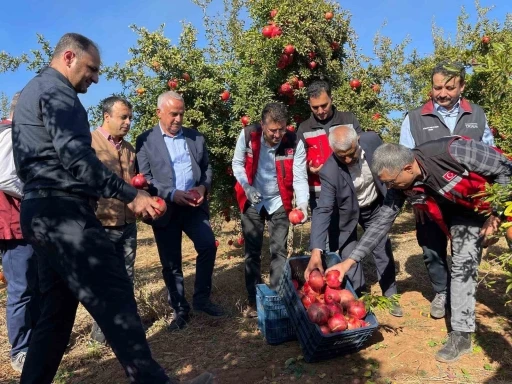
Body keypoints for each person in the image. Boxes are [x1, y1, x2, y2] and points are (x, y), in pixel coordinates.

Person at [12, 33, 212, 384]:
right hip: (65, 214)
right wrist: (130, 195)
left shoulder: (32, 90)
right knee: (117, 299)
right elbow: (78, 161)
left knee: (55, 318)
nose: (95, 78)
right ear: (69, 57)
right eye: (91, 69)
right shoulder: (60, 93)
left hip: (39, 212)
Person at [326, 136, 511, 363]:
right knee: (463, 264)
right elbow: (381, 222)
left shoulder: (454, 151)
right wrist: (350, 261)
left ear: (408, 167)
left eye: (393, 182)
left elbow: (505, 169)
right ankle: (461, 336)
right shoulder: (401, 182)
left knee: (477, 262)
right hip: (459, 213)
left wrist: (497, 213)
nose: (390, 188)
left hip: (490, 204)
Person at [399, 61, 495, 319]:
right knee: (431, 248)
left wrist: (492, 204)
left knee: (467, 250)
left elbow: (490, 156)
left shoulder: (477, 114)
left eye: (449, 88)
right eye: (437, 87)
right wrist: (417, 198)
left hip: (469, 198)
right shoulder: (414, 118)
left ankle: (461, 293)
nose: (442, 93)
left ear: (462, 86)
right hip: (430, 199)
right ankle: (442, 291)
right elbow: (406, 162)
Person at [136, 91, 224, 332]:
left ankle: (202, 299)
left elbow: (207, 169)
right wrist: (172, 194)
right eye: (173, 114)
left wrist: (202, 187)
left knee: (207, 245)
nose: (178, 118)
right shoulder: (145, 141)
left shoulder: (196, 138)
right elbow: (146, 179)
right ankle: (180, 308)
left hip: (194, 207)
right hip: (165, 209)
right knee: (171, 262)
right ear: (159, 113)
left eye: (181, 114)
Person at [304, 126, 402, 316]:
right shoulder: (329, 171)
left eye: (351, 153)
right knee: (350, 256)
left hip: (374, 206)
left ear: (357, 141)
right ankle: (359, 299)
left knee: (382, 249)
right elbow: (323, 209)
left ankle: (390, 295)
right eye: (342, 156)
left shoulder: (373, 140)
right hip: (346, 216)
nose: (348, 159)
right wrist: (316, 250)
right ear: (333, 151)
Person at [232, 102, 309, 318]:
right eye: (272, 130)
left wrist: (302, 203)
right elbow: (237, 163)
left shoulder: (294, 141)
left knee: (279, 251)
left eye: (281, 129)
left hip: (279, 201)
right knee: (252, 253)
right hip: (253, 200)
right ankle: (253, 301)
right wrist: (246, 187)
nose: (277, 134)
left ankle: (276, 298)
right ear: (263, 125)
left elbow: (300, 176)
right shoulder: (248, 135)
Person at [89, 96, 138, 344]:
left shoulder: (130, 149)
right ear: (106, 117)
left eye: (130, 117)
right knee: (102, 278)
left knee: (126, 275)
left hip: (129, 223)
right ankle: (101, 332)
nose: (128, 122)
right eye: (123, 117)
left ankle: (126, 323)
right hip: (101, 224)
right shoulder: (90, 143)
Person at [297, 80, 363, 251]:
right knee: (324, 239)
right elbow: (298, 162)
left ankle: (346, 273)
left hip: (348, 189)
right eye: (315, 107)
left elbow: (359, 150)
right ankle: (328, 273)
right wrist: (309, 169)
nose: (320, 111)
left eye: (324, 105)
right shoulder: (304, 128)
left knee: (347, 234)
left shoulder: (348, 120)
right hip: (319, 192)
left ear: (331, 99)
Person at [0, 92, 40, 373]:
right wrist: (35, 195)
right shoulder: (8, 132)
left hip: (27, 224)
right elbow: (5, 176)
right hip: (12, 225)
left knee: (34, 284)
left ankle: (35, 341)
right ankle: (21, 350)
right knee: (21, 288)